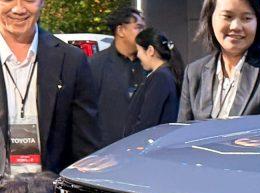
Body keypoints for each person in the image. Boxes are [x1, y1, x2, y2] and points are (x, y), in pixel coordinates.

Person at [0, 0, 100, 175]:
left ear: (42, 2)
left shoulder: (71, 60)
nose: (18, 8)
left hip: (50, 187)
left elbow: (85, 146)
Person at [179, 0, 260, 121]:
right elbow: (182, 133)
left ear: (258, 22)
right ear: (210, 18)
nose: (236, 26)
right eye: (227, 16)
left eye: (246, 18)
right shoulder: (194, 73)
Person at [89, 5, 146, 147]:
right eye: (138, 28)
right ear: (120, 30)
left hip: (145, 148)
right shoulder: (96, 65)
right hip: (108, 151)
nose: (144, 33)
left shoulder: (150, 64)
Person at [124, 28, 183, 137]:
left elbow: (147, 120)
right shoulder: (165, 74)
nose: (138, 55)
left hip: (144, 143)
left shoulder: (161, 77)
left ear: (150, 50)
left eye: (139, 50)